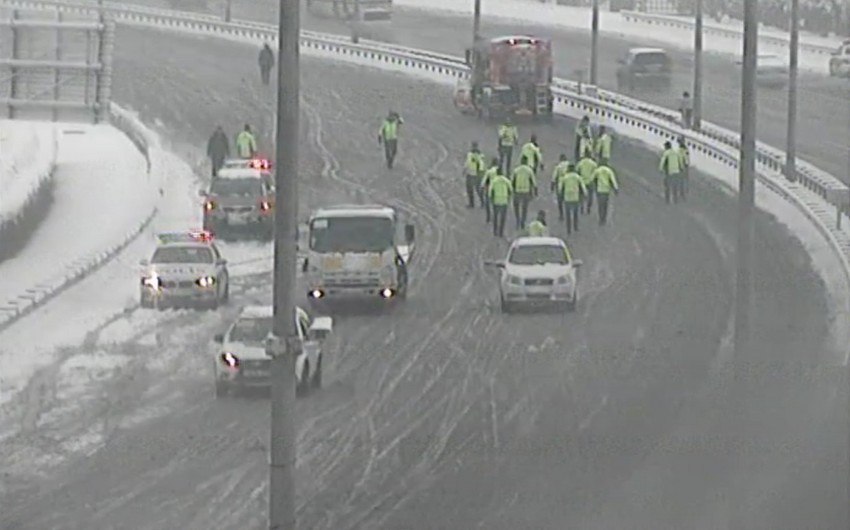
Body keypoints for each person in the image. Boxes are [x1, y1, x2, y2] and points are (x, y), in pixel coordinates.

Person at [557, 162, 587, 235]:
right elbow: (582, 186)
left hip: (567, 197)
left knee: (568, 214)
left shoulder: (565, 177)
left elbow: (560, 188)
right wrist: (585, 194)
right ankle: (575, 226)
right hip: (575, 197)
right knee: (575, 213)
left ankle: (568, 228)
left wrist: (560, 194)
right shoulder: (577, 177)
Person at [511, 156, 538, 230]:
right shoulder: (529, 170)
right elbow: (533, 182)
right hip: (526, 191)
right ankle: (523, 221)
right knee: (524, 207)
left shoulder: (516, 170)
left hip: (517, 190)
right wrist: (535, 191)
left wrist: (512, 190)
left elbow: (512, 181)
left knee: (516, 206)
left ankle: (518, 219)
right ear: (526, 162)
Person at [489, 170, 513, 237]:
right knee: (503, 218)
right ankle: (501, 232)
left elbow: (490, 191)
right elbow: (511, 189)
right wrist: (509, 198)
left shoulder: (494, 180)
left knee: (495, 217)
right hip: (504, 200)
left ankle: (495, 231)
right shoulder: (506, 180)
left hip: (496, 201)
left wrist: (491, 199)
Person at [464, 142, 486, 208]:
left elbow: (467, 163)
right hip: (478, 173)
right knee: (478, 189)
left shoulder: (470, 154)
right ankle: (483, 203)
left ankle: (472, 204)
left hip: (471, 173)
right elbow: (482, 164)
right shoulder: (481, 154)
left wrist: (464, 170)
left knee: (470, 189)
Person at [550, 154, 571, 221]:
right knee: (568, 200)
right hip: (569, 184)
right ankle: (569, 213)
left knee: (560, 201)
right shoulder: (569, 165)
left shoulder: (558, 166)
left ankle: (561, 214)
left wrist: (552, 186)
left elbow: (554, 177)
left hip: (560, 185)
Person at [480, 157, 501, 223]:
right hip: (498, 189)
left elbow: (484, 180)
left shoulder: (489, 171)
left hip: (489, 189)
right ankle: (496, 216)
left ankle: (488, 217)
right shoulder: (500, 171)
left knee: (488, 204)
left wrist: (482, 187)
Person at [677, 136, 690, 201]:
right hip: (682, 166)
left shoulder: (683, 149)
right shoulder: (682, 148)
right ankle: (681, 195)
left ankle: (682, 195)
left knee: (681, 181)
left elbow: (685, 158)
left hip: (682, 167)